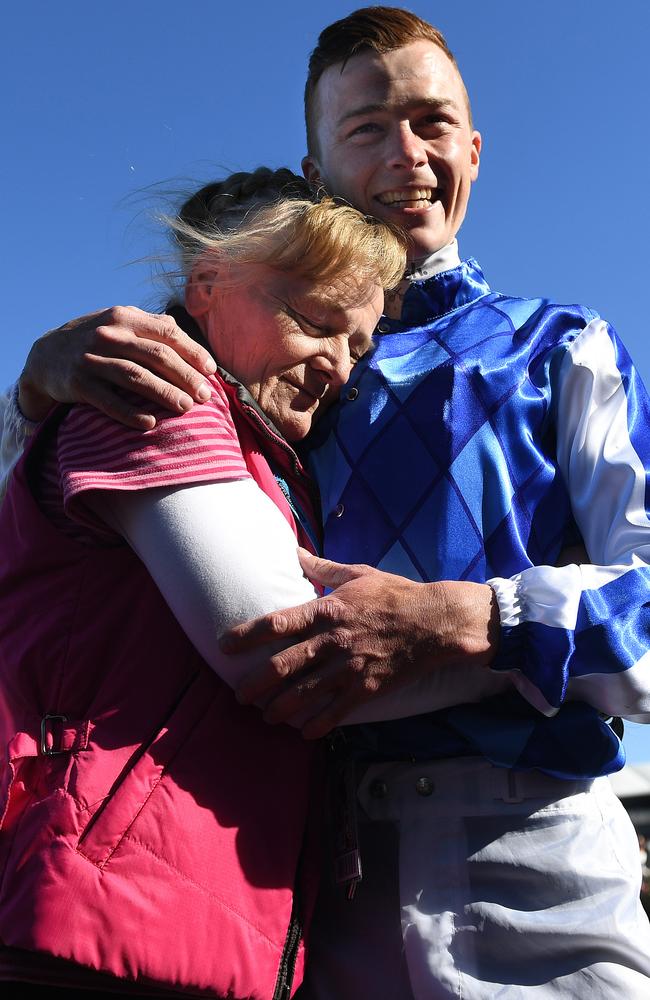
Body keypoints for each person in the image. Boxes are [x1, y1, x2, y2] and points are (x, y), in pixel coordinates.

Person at [4, 6, 650, 997]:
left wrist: (476, 618)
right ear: (313, 173)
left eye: (432, 121)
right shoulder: (236, 371)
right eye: (365, 127)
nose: (407, 153)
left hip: (536, 863)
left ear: (473, 147)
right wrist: (30, 390)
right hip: (301, 891)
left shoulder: (567, 345)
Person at [0, 168, 413, 997]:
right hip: (93, 939)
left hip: (176, 935)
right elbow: (276, 647)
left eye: (357, 345)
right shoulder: (158, 394)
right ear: (207, 282)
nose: (337, 365)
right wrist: (523, 639)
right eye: (314, 320)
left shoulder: (263, 458)